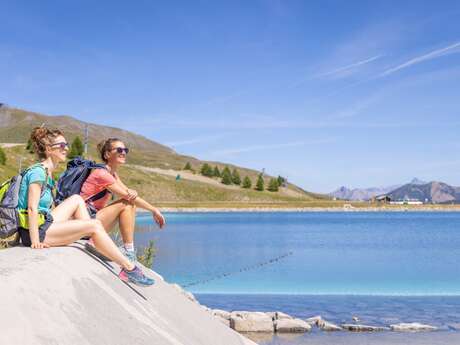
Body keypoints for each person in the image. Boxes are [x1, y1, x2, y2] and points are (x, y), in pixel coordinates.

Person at [18, 126, 154, 286]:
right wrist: (35, 241)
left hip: (44, 222)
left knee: (76, 199)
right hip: (35, 232)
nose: (66, 148)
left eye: (66, 144)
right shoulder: (38, 172)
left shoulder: (46, 172)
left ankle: (91, 236)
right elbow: (32, 208)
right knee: (95, 225)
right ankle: (129, 269)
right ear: (49, 149)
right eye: (62, 145)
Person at [80, 138, 165, 262]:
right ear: (107, 154)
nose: (124, 152)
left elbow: (130, 194)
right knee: (126, 203)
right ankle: (128, 250)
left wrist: (133, 192)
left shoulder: (112, 174)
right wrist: (153, 210)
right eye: (119, 149)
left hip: (93, 219)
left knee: (130, 204)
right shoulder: (101, 174)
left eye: (125, 150)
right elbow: (127, 197)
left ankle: (122, 249)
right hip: (84, 221)